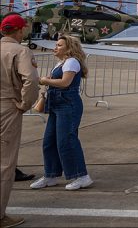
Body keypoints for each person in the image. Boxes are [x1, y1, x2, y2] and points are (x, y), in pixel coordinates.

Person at [30, 35, 93, 191]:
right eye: (56, 45)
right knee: (49, 141)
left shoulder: (71, 62)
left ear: (69, 48)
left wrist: (45, 80)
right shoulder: (61, 63)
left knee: (67, 141)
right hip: (58, 104)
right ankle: (50, 174)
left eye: (59, 45)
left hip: (68, 104)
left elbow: (65, 83)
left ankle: (81, 176)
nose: (55, 47)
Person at [1, 13, 40, 228]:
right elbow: (31, 80)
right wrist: (25, 104)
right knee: (5, 163)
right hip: (7, 106)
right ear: (19, 30)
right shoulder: (20, 51)